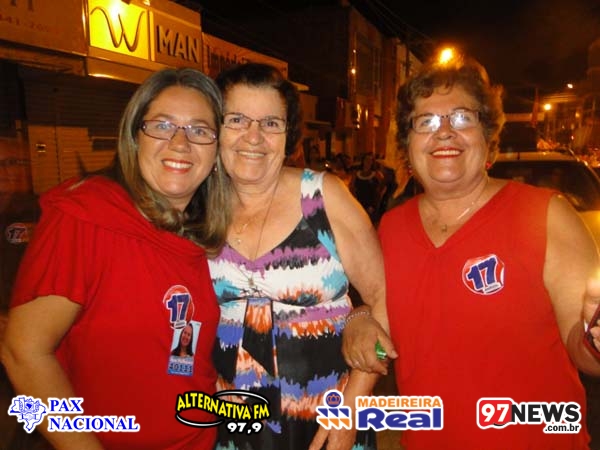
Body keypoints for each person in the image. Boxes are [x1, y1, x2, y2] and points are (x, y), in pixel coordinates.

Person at [342, 54, 600, 450]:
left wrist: (596, 337)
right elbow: (384, 319)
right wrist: (357, 319)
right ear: (407, 144)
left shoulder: (546, 215)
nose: (444, 132)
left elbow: (582, 345)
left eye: (462, 118)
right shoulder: (392, 227)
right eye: (426, 122)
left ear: (488, 134)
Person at [1, 67, 229, 450]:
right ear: (134, 136)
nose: (180, 142)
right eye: (162, 125)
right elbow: (22, 352)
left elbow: (176, 354)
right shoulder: (87, 216)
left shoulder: (204, 234)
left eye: (199, 130)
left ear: (216, 150)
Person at [209, 62, 384, 450]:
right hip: (235, 427)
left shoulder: (322, 197)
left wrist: (352, 409)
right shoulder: (198, 208)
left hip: (326, 426)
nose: (253, 136)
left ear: (288, 135)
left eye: (271, 123)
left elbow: (384, 296)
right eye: (236, 119)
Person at [349, 153, 385, 224]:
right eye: (366, 159)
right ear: (363, 161)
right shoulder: (356, 174)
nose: (368, 162)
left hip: (371, 203)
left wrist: (377, 199)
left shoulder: (377, 174)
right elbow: (352, 187)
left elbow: (383, 186)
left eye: (370, 160)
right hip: (359, 202)